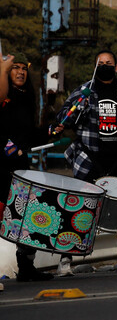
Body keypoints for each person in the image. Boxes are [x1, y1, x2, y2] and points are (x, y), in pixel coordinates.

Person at [55, 49, 117, 276]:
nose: (104, 66)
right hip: (89, 158)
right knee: (77, 207)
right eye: (100, 63)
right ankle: (65, 259)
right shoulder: (83, 91)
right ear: (95, 67)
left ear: (116, 67)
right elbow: (64, 118)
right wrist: (80, 106)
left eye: (108, 63)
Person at [0, 52, 54, 282]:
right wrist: (8, 146)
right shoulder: (3, 97)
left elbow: (30, 136)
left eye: (24, 68)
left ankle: (26, 266)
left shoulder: (26, 98)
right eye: (15, 67)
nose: (21, 72)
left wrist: (50, 131)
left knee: (28, 216)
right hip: (2, 168)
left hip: (20, 169)